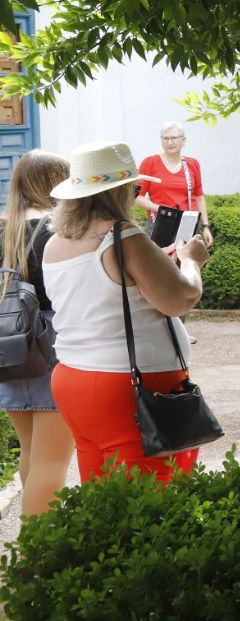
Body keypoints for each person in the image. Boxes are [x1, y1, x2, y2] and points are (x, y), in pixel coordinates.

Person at [43, 141, 210, 484]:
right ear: (117, 192)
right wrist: (191, 261)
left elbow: (101, 290)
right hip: (130, 385)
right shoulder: (123, 235)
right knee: (152, 499)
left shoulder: (56, 242)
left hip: (73, 377)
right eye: (134, 188)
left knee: (104, 493)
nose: (136, 195)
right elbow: (181, 298)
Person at [0, 150, 75, 517]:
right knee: (52, 464)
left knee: (31, 453)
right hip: (50, 346)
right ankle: (34, 562)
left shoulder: (4, 227)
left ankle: (29, 555)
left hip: (9, 348)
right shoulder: (56, 230)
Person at [137, 122, 214, 248]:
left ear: (183, 140)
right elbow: (136, 197)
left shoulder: (192, 164)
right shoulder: (150, 163)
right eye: (165, 138)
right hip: (160, 222)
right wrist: (160, 209)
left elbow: (199, 197)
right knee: (161, 265)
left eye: (174, 138)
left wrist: (205, 226)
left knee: (188, 264)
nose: (170, 142)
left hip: (189, 223)